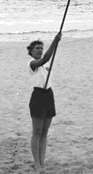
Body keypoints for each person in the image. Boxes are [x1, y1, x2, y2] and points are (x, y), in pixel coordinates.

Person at [27, 33, 62, 170]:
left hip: (49, 94)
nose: (40, 50)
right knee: (37, 131)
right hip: (38, 95)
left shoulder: (46, 65)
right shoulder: (32, 64)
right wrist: (55, 41)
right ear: (31, 51)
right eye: (37, 48)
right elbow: (45, 58)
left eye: (42, 47)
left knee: (45, 132)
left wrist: (54, 44)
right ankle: (36, 162)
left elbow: (46, 59)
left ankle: (42, 160)